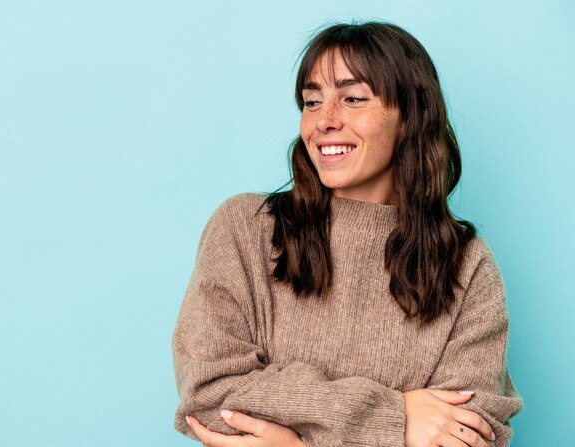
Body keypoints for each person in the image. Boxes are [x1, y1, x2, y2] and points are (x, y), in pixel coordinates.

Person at [172, 21, 523, 447]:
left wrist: (297, 441)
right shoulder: (244, 229)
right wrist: (396, 417)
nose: (324, 121)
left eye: (353, 98)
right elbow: (209, 396)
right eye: (312, 102)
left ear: (410, 117)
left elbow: (469, 436)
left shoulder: (467, 264)